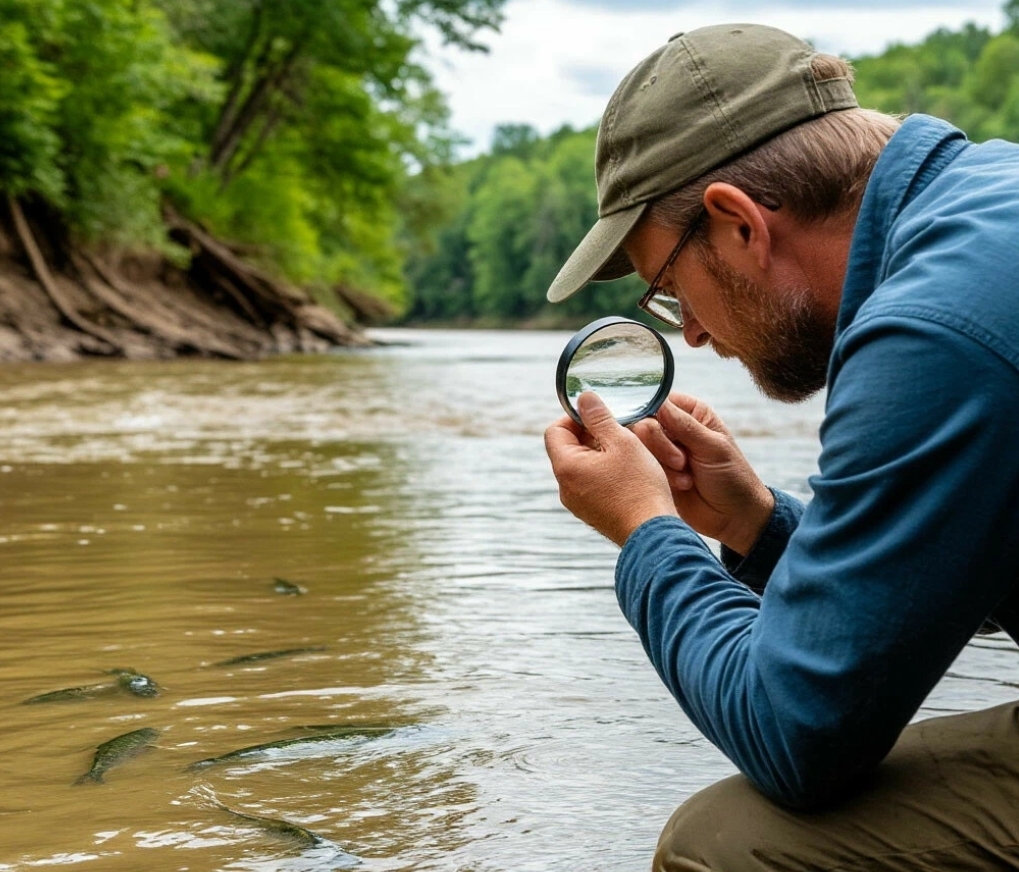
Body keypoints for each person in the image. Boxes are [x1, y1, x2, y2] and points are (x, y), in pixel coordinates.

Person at [542, 22, 1019, 872]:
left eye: (667, 290)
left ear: (736, 224)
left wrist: (647, 530)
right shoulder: (983, 207)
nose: (686, 332)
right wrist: (754, 524)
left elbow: (796, 734)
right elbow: (951, 573)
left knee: (725, 845)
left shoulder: (930, 331)